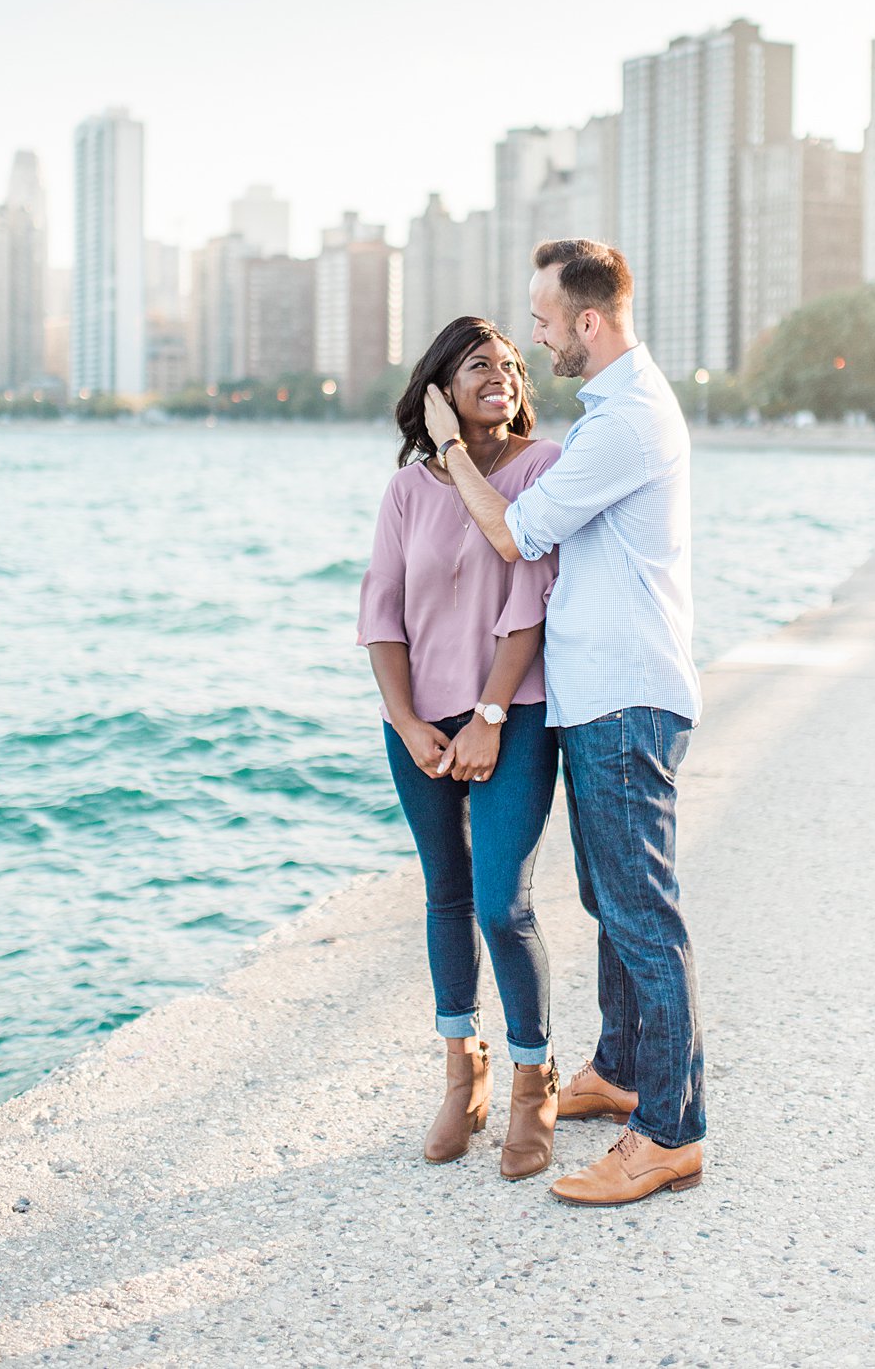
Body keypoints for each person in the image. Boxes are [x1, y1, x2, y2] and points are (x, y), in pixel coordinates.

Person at [424, 239, 704, 1208]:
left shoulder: (624, 424)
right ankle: (621, 1067)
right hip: (601, 701)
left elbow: (512, 531)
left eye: (542, 320)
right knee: (608, 898)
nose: (535, 334)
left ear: (589, 321)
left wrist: (449, 448)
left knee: (641, 914)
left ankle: (669, 1130)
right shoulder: (611, 415)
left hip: (626, 699)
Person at [358, 317, 563, 1180]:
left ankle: (533, 1080)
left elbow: (532, 598)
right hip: (418, 726)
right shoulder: (409, 489)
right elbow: (383, 612)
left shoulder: (541, 469)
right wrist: (408, 723)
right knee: (444, 896)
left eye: (512, 366)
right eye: (481, 365)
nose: (504, 377)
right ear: (442, 385)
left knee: (501, 903)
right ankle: (461, 1070)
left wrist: (487, 715)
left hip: (511, 716)